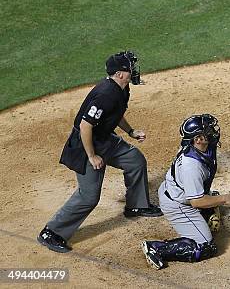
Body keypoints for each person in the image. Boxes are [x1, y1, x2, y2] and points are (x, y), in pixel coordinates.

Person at [37, 51, 162, 253]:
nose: (134, 71)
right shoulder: (105, 94)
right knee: (88, 197)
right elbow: (86, 126)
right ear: (120, 73)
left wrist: (130, 131)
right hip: (86, 144)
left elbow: (116, 113)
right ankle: (52, 232)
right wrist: (92, 156)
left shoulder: (123, 88)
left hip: (105, 139)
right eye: (130, 68)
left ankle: (136, 205)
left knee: (134, 159)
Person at [141, 114, 230, 270]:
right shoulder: (191, 166)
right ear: (197, 139)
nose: (212, 131)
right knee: (205, 247)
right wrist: (223, 199)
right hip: (177, 204)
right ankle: (157, 248)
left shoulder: (202, 146)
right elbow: (196, 201)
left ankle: (206, 210)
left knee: (207, 200)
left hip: (179, 191)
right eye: (207, 130)